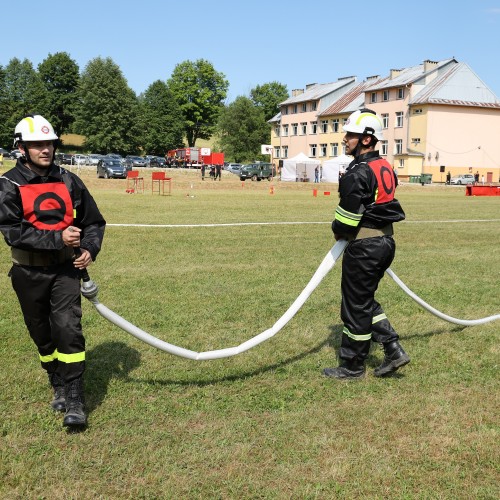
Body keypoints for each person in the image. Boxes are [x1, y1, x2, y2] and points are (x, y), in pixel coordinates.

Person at [0, 115, 106, 427]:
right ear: (22, 147)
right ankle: (56, 381)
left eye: (49, 143)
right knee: (42, 335)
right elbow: (11, 230)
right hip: (27, 273)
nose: (45, 150)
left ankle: (74, 397)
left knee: (68, 329)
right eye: (37, 145)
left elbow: (94, 222)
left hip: (64, 271)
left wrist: (88, 248)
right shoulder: (9, 185)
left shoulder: (70, 181)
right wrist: (56, 238)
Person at [323, 108, 410, 380]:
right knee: (364, 300)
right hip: (385, 242)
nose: (345, 138)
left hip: (364, 247)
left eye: (351, 134)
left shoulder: (357, 172)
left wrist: (338, 232)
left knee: (354, 307)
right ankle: (393, 349)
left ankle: (352, 366)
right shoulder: (384, 166)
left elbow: (347, 220)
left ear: (367, 139)